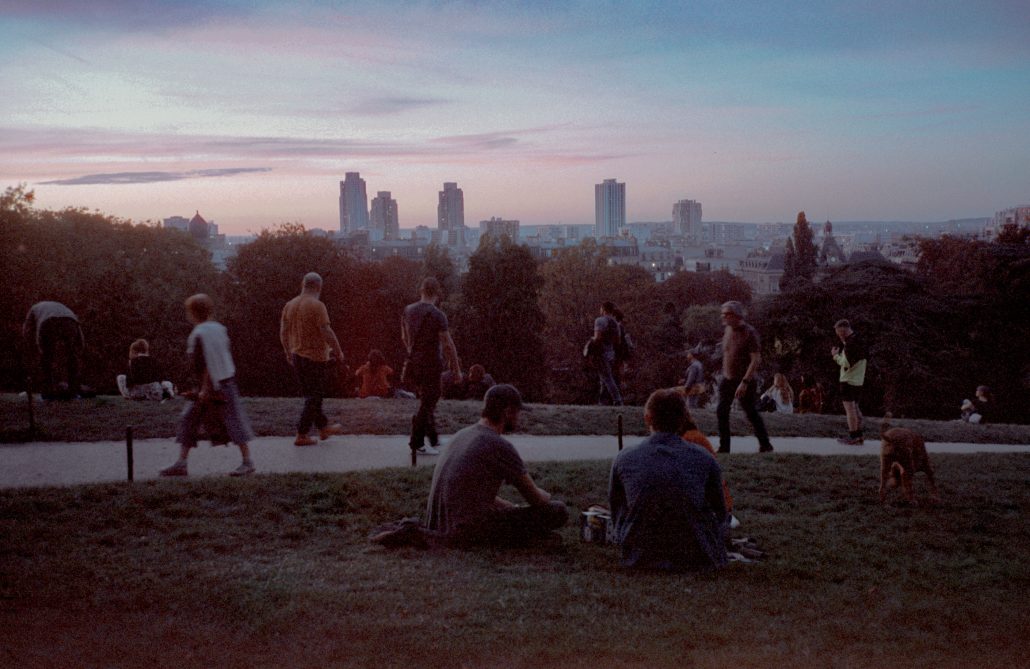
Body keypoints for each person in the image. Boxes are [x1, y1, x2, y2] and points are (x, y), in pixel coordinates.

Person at [425, 384, 568, 547]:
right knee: (558, 511)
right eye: (517, 412)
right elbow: (536, 499)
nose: (518, 418)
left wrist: (511, 507)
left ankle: (534, 539)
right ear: (507, 412)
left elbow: (471, 492)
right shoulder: (498, 445)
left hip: (439, 525)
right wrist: (546, 496)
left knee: (512, 514)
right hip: (466, 531)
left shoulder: (462, 435)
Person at [609, 389, 728, 570]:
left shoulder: (624, 458)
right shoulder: (705, 458)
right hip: (696, 556)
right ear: (683, 419)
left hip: (640, 556)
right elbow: (720, 512)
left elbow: (617, 509)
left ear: (648, 418)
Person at [160, 294, 255, 477]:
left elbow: (205, 363)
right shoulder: (219, 328)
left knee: (229, 422)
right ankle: (181, 463)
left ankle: (247, 463)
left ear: (192, 313)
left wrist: (205, 388)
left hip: (213, 386)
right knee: (197, 419)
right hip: (226, 380)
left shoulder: (198, 334)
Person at [280, 272, 345, 447]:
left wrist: (287, 352)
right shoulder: (317, 305)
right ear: (319, 287)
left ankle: (323, 428)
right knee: (314, 396)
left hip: (297, 355)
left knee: (313, 395)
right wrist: (338, 351)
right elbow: (326, 331)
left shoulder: (290, 305)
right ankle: (302, 434)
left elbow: (283, 332)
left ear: (303, 284)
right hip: (315, 357)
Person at [403, 277, 461, 455]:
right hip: (432, 362)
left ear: (421, 290)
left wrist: (413, 353)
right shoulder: (438, 315)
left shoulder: (408, 310)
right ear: (437, 293)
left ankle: (433, 438)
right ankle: (417, 442)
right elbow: (447, 344)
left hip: (414, 362)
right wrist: (456, 369)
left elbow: (405, 337)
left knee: (426, 398)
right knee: (430, 400)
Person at [715, 301, 774, 453]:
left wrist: (745, 382)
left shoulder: (749, 333)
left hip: (744, 380)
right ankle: (724, 447)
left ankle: (765, 445)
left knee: (751, 412)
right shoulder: (728, 330)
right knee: (721, 411)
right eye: (723, 314)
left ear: (737, 315)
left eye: (727, 314)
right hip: (727, 379)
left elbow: (755, 360)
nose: (723, 317)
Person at [23, 301, 84, 399]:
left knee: (47, 358)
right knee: (72, 357)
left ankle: (48, 390)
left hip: (49, 322)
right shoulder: (64, 309)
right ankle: (73, 390)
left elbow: (27, 329)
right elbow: (78, 331)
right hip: (70, 322)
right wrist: (79, 349)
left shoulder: (34, 308)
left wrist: (37, 347)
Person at [832, 319, 867, 445]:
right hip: (858, 380)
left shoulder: (850, 345)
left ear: (843, 330)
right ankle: (859, 435)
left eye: (838, 332)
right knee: (855, 408)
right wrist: (843, 343)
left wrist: (835, 356)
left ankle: (853, 436)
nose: (838, 335)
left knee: (850, 410)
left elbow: (846, 363)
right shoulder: (859, 340)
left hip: (848, 380)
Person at [591, 301, 623, 406]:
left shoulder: (600, 320)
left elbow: (597, 338)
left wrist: (592, 340)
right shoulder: (615, 323)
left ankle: (617, 400)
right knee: (603, 378)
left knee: (607, 378)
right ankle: (602, 402)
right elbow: (618, 341)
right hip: (611, 353)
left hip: (601, 352)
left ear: (603, 309)